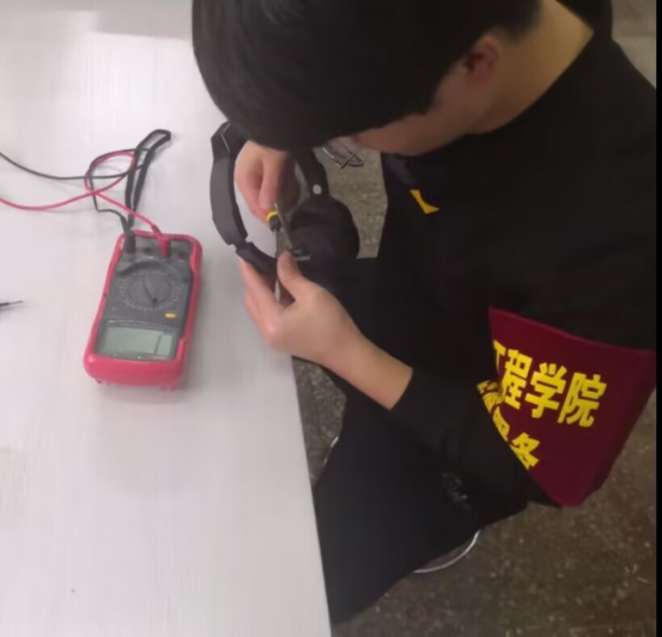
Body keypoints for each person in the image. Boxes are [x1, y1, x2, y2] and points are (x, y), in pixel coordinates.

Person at [192, 0, 656, 624]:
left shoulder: (618, 235)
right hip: (415, 296)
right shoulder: (439, 46)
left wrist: (348, 354)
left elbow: (542, 468)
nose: (343, 144)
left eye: (349, 132)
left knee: (295, 589)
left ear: (476, 64)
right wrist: (283, 119)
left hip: (466, 435)